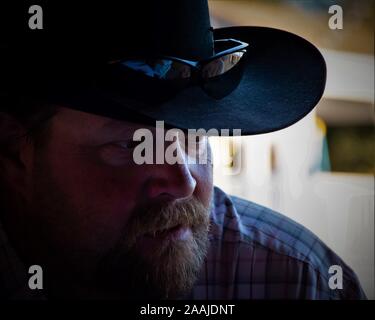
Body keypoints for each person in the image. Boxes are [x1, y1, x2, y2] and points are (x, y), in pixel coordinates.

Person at [0, 1, 366, 299]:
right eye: (131, 145)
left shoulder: (297, 283)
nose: (184, 181)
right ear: (16, 150)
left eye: (195, 135)